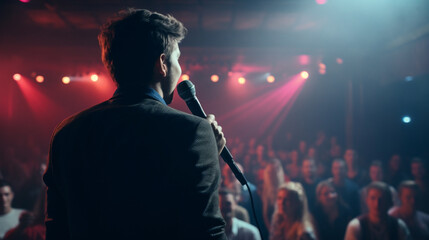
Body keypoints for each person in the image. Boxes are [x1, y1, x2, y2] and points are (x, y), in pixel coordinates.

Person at [43, 8, 227, 240]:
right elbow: (206, 229)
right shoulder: (192, 131)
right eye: (177, 58)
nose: (180, 69)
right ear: (162, 63)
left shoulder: (66, 132)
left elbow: (56, 227)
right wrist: (207, 150)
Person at [345, 181, 411, 240]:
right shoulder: (356, 226)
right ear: (367, 200)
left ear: (389, 202)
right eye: (373, 198)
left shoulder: (399, 226)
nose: (377, 204)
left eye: (382, 199)